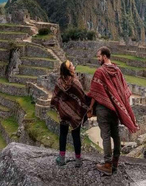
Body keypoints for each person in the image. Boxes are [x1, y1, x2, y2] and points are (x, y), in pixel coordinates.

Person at [87, 46, 139, 175]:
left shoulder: (100, 72)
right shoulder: (118, 71)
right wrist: (119, 103)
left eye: (99, 56)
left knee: (105, 135)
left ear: (105, 56)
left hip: (103, 109)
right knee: (115, 135)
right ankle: (115, 163)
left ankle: (107, 164)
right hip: (115, 109)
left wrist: (89, 108)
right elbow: (124, 91)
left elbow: (94, 93)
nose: (98, 59)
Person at [51, 60, 89, 168]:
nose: (73, 66)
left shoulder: (59, 81)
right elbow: (82, 97)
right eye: (72, 65)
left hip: (63, 112)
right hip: (75, 113)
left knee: (63, 134)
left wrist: (61, 106)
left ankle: (61, 158)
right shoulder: (75, 82)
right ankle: (78, 160)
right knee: (76, 135)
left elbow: (55, 96)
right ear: (69, 69)